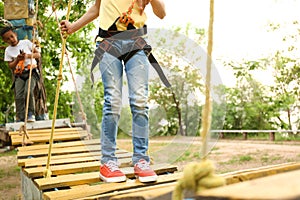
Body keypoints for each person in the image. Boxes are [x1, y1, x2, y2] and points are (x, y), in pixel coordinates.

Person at [60, 0, 166, 183]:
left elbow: (161, 12)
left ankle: (141, 160)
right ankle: (108, 162)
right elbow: (96, 8)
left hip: (136, 43)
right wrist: (73, 27)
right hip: (108, 43)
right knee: (113, 101)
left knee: (140, 101)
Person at [1, 26, 41, 122]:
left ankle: (31, 113)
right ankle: (20, 116)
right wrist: (17, 60)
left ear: (15, 34)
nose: (11, 40)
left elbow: (38, 54)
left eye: (11, 36)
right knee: (18, 96)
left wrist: (27, 56)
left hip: (31, 72)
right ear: (5, 41)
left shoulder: (26, 43)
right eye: (7, 39)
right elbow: (10, 65)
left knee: (28, 91)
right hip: (19, 74)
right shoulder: (8, 50)